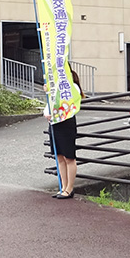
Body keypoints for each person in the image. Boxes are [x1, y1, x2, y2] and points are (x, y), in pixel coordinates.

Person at [44, 69, 86, 199]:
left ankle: (69, 188)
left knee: (69, 157)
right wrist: (47, 113)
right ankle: (63, 187)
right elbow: (50, 104)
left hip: (66, 123)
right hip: (54, 123)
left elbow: (68, 105)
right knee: (60, 157)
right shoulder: (55, 85)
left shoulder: (72, 87)